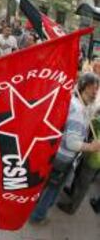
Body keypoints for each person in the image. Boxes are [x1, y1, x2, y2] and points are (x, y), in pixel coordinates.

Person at [30, 73, 100, 225]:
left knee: (47, 184)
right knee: (53, 188)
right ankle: (38, 216)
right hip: (64, 157)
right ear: (83, 87)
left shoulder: (75, 103)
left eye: (97, 88)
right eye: (92, 88)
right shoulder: (78, 112)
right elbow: (72, 143)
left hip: (56, 152)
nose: (95, 92)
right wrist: (91, 146)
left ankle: (35, 206)